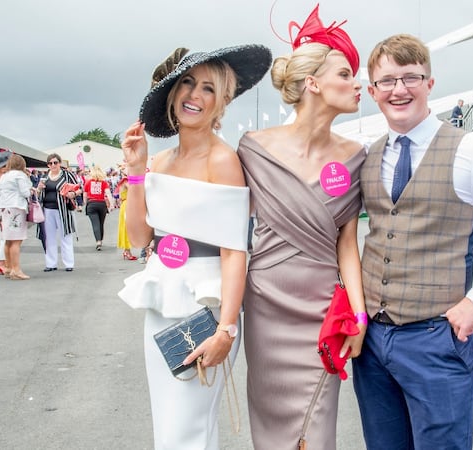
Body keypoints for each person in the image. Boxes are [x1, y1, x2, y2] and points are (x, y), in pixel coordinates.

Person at [354, 34, 473, 449]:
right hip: (372, 341)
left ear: (430, 83)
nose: (399, 89)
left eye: (410, 77)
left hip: (435, 338)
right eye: (387, 81)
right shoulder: (367, 156)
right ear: (372, 92)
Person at [117, 43, 271, 449]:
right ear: (172, 93)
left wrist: (227, 329)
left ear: (221, 102)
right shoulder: (162, 162)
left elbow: (234, 251)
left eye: (208, 88)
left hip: (207, 308)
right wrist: (136, 172)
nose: (194, 95)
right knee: (169, 427)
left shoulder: (222, 161)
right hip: (163, 302)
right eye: (187, 83)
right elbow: (139, 239)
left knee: (190, 428)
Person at [237, 6, 365, 449]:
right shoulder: (253, 149)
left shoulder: (356, 156)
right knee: (273, 436)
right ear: (312, 83)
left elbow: (348, 244)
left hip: (322, 315)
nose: (358, 84)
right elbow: (227, 230)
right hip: (267, 310)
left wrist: (360, 313)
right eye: (346, 74)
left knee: (316, 433)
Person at [36, 154, 80, 272]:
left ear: (60, 163)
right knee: (49, 237)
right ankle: (51, 263)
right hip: (47, 209)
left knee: (65, 235)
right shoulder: (45, 177)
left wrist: (73, 194)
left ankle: (69, 263)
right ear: (48, 165)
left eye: (55, 162)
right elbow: (37, 193)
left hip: (63, 209)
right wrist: (39, 188)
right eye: (50, 163)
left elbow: (79, 188)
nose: (53, 165)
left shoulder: (67, 175)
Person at [0, 154, 36, 280]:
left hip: (4, 208)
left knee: (8, 240)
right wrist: (32, 190)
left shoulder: (5, 176)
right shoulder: (20, 175)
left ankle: (8, 268)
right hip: (16, 208)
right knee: (17, 240)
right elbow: (25, 192)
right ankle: (16, 270)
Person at [82, 166, 113, 251]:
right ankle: (101, 240)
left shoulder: (88, 182)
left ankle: (98, 241)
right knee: (101, 223)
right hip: (102, 204)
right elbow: (108, 194)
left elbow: (84, 195)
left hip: (91, 204)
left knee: (95, 223)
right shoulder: (104, 183)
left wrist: (85, 203)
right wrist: (111, 204)